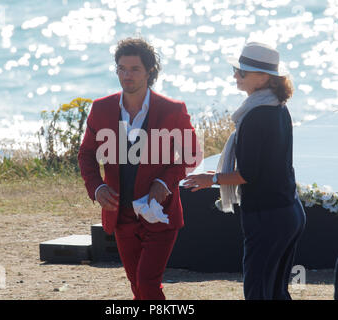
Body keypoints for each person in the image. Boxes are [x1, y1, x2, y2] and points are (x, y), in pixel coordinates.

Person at [78, 37, 201, 300]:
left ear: (150, 71)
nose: (126, 75)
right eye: (121, 68)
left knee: (147, 284)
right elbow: (86, 154)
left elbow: (191, 154)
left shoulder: (172, 110)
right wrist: (96, 187)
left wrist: (165, 182)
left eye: (134, 69)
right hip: (119, 214)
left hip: (159, 214)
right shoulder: (101, 108)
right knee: (137, 285)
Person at [183, 42, 306, 300]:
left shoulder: (256, 115)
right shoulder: (278, 107)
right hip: (289, 210)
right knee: (275, 290)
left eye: (242, 72)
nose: (235, 76)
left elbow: (248, 173)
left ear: (264, 78)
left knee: (258, 290)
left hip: (268, 216)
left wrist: (212, 179)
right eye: (236, 69)